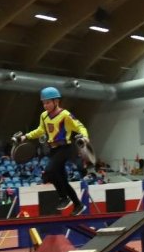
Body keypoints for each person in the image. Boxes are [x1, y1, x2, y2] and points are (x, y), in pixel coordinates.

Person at [15, 87, 89, 215]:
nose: (45, 105)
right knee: (61, 179)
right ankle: (78, 205)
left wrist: (85, 136)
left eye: (48, 102)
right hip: (53, 150)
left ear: (56, 101)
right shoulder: (43, 116)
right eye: (43, 103)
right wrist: (25, 136)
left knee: (49, 171)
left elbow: (79, 126)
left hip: (66, 148)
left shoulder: (65, 115)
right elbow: (40, 131)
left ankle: (63, 198)